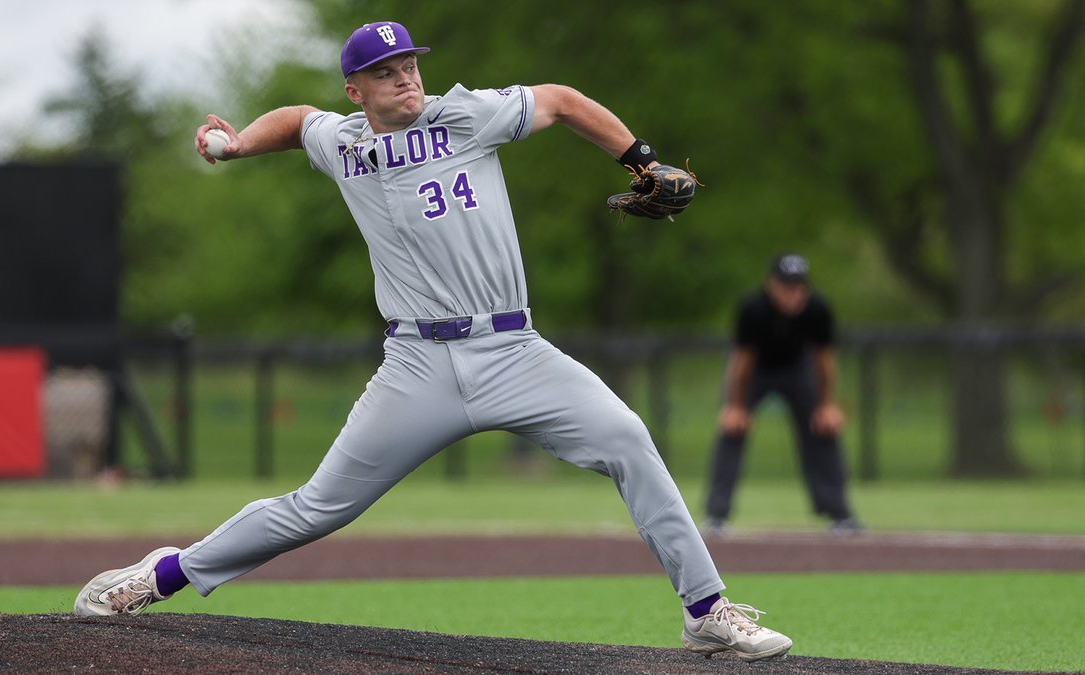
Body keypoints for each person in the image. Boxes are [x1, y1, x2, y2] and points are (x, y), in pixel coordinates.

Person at [73, 20, 792, 662]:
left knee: (628, 438)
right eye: (386, 72)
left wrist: (639, 155)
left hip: (514, 350)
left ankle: (706, 610)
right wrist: (235, 146)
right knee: (320, 506)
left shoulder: (466, 116)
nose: (405, 77)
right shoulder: (345, 142)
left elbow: (564, 100)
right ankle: (161, 574)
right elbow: (296, 120)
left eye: (409, 64)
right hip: (418, 364)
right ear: (356, 91)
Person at [704, 253, 862, 536]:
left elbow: (824, 361)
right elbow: (742, 362)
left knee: (823, 429)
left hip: (797, 370)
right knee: (732, 430)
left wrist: (826, 405)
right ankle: (717, 514)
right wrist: (736, 405)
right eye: (787, 286)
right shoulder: (754, 308)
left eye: (799, 286)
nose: (794, 294)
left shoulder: (817, 309)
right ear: (771, 285)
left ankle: (840, 514)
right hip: (755, 372)